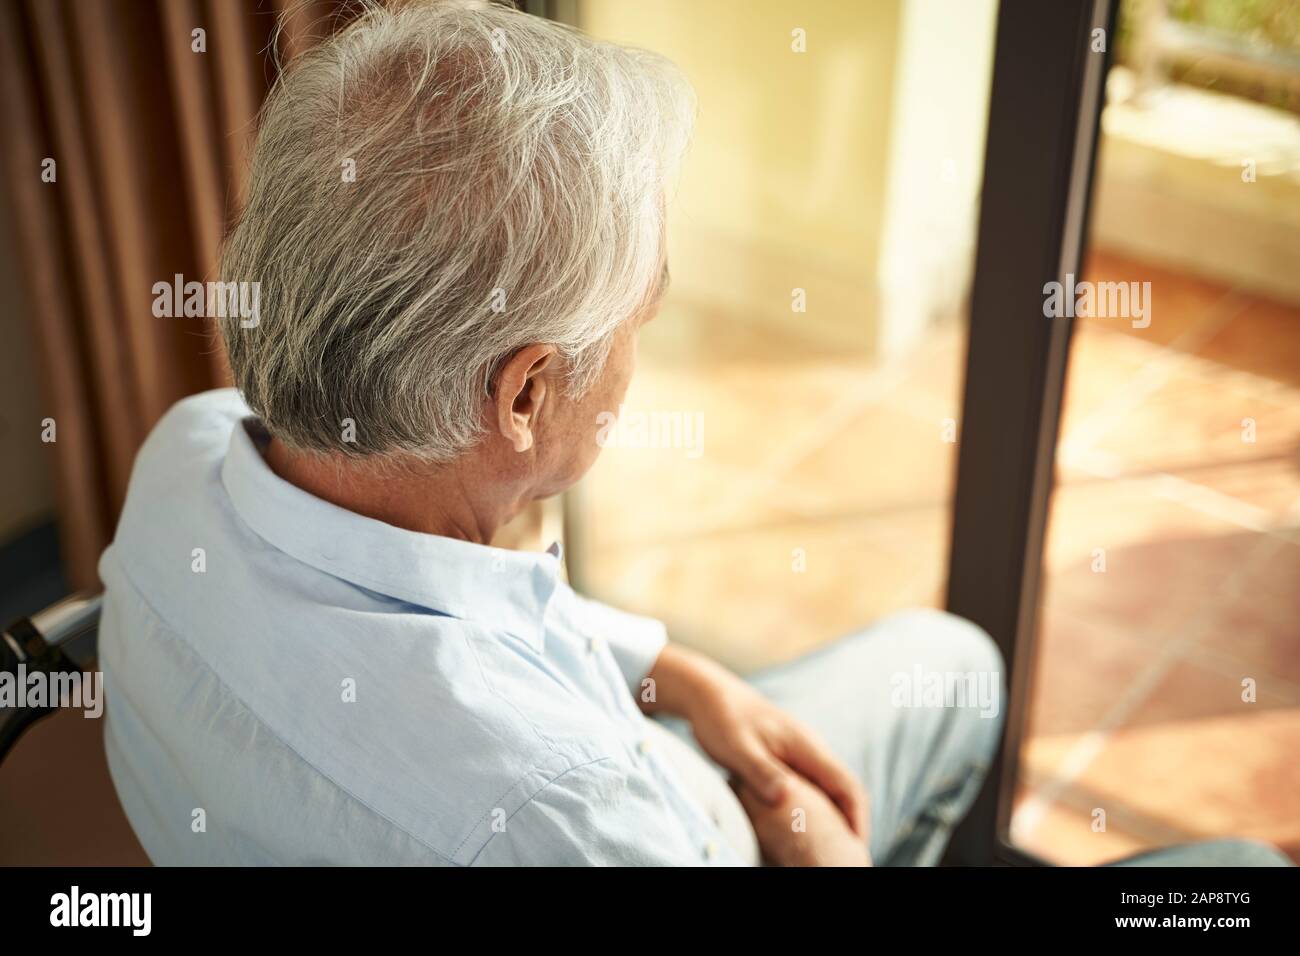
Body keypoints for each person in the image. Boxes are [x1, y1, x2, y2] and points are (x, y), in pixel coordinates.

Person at [99, 0, 1004, 866]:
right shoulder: (557, 817)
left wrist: (679, 673)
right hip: (671, 820)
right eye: (639, 318)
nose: (636, 355)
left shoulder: (187, 450)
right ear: (525, 393)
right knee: (957, 668)